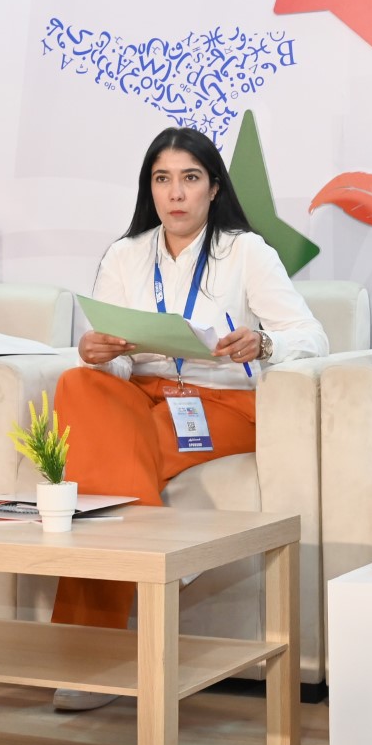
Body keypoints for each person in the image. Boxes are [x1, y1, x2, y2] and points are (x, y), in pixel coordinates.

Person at [50, 125, 328, 710]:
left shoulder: (247, 251)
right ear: (149, 189)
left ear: (213, 188)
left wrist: (265, 344)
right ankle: (161, 555)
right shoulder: (125, 255)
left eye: (190, 178)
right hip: (145, 392)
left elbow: (312, 336)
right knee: (78, 382)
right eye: (162, 179)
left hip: (221, 401)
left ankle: (85, 659)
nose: (175, 193)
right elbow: (115, 366)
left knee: (100, 468)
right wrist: (100, 353)